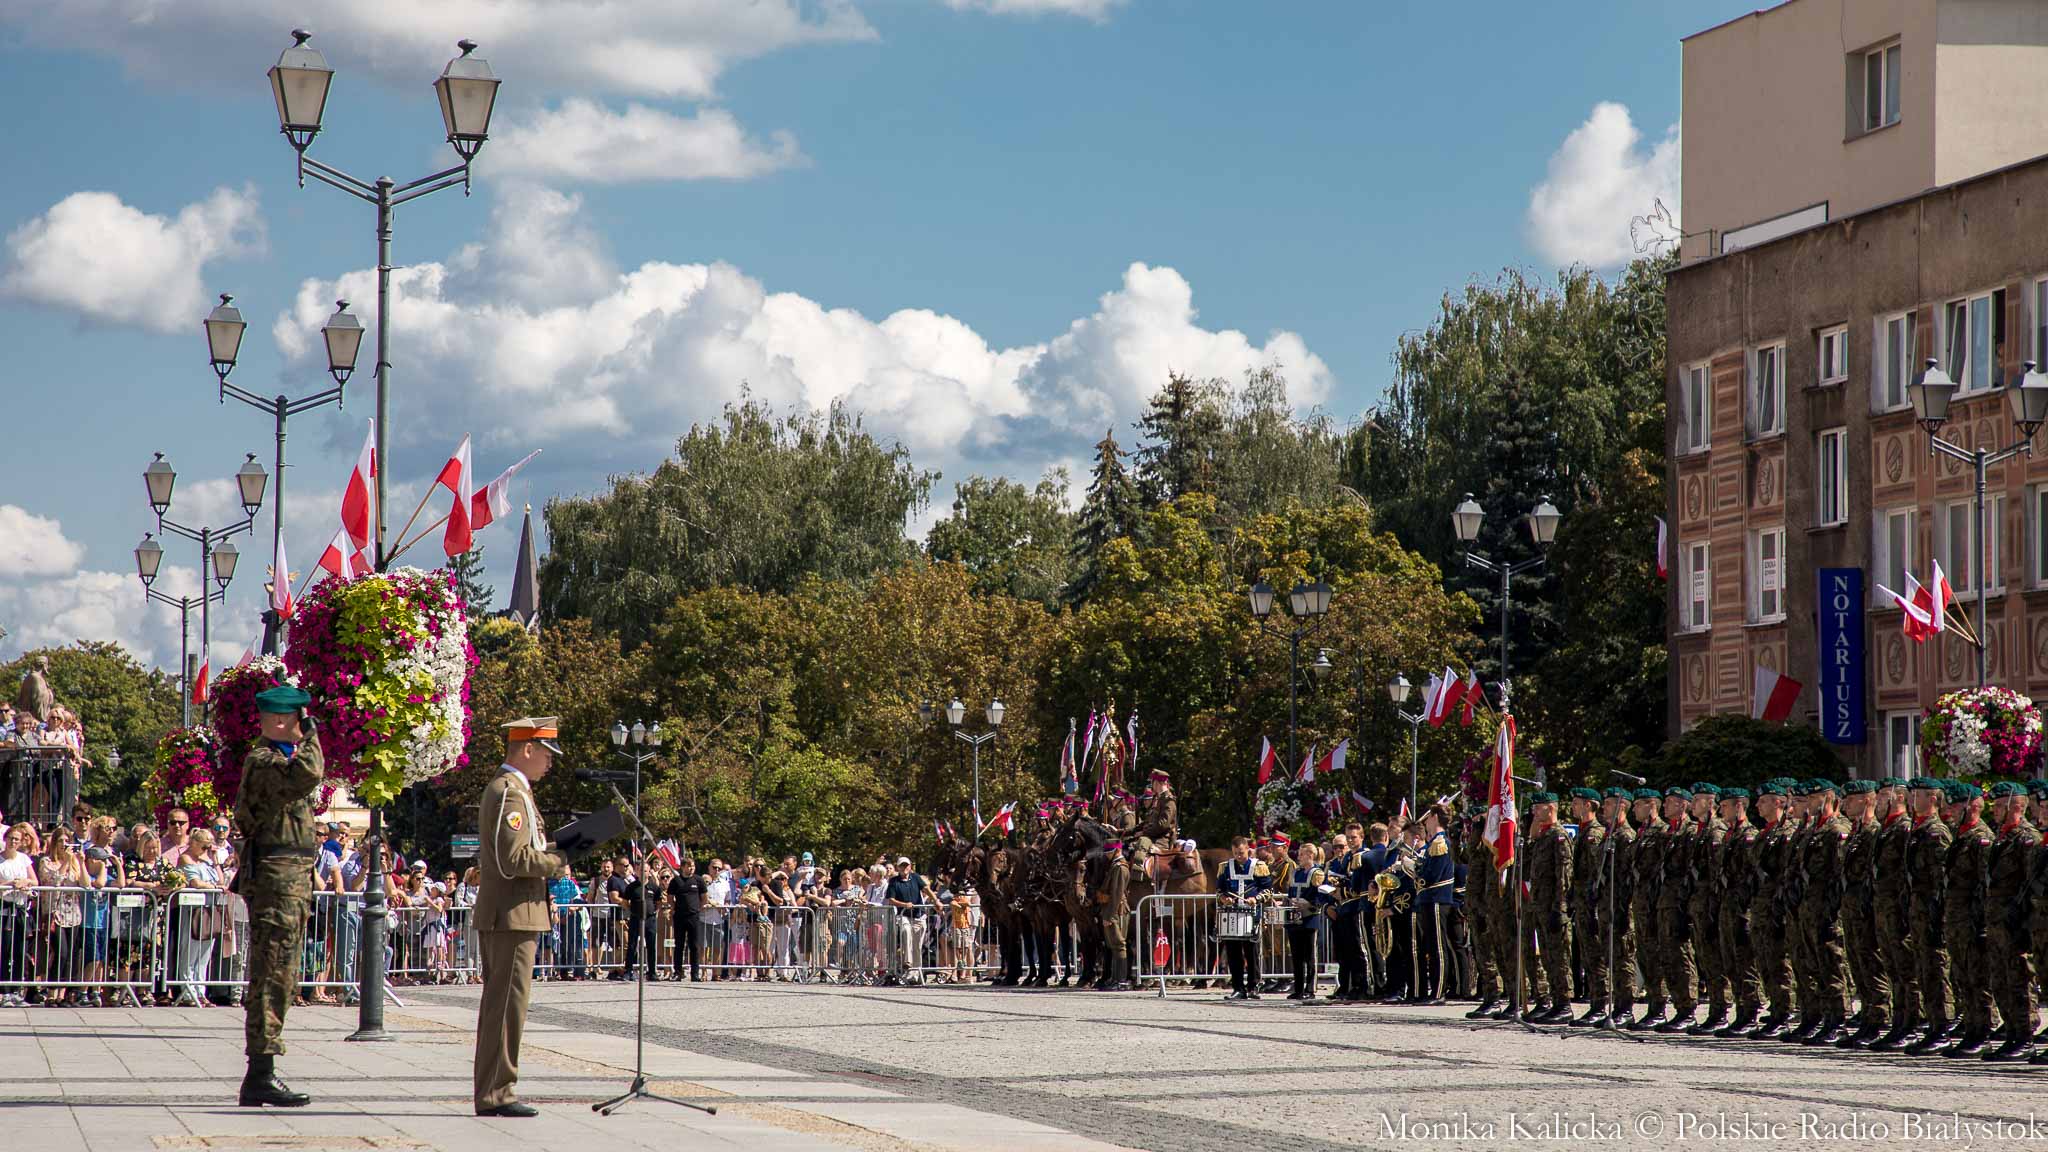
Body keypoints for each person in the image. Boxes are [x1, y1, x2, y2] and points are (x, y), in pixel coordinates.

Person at [231, 684, 324, 1106]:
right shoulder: (265, 760)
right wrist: (313, 735)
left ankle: (261, 1073)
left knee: (283, 973)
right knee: (272, 974)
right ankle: (261, 1073)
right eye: (298, 719)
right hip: (276, 879)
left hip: (290, 879)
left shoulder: (277, 759)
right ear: (283, 719)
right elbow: (310, 773)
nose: (302, 726)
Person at [473, 717, 569, 1118]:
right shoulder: (509, 793)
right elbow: (511, 861)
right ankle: (497, 1091)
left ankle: (499, 1087)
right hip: (512, 915)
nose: (549, 763)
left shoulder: (514, 791)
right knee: (506, 1007)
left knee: (509, 1006)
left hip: (516, 914)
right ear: (527, 749)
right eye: (546, 754)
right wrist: (557, 862)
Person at [1982, 781, 2039, 1061]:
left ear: (2016, 806)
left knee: (2018, 977)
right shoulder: (2001, 837)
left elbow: (2031, 883)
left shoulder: (2026, 839)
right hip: (1997, 920)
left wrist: (2025, 921)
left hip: (2015, 921)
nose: (1993, 810)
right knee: (2000, 977)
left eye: (1999, 805)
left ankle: (2025, 1034)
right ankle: (2012, 1030)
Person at [1901, 777, 1957, 1054]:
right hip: (1918, 910)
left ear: (1933, 799)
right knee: (1923, 969)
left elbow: (1941, 878)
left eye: (1918, 795)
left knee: (1936, 969)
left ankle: (1943, 1028)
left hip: (1932, 911)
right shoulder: (1918, 829)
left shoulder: (1936, 832)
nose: (1913, 800)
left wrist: (1938, 913)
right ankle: (1932, 1025)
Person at [1940, 780, 1995, 1056]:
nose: (1950, 807)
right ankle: (1971, 1026)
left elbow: (1986, 884)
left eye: (1956, 803)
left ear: (1973, 806)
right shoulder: (1960, 836)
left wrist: (1981, 921)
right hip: (1957, 919)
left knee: (1978, 977)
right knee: (1962, 975)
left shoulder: (1981, 838)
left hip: (1973, 921)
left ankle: (1982, 1030)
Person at [1836, 780, 1889, 1048]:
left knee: (1872, 963)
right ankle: (1868, 1016)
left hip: (1868, 909)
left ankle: (1879, 1019)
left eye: (1851, 799)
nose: (1844, 804)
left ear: (1868, 800)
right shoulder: (1857, 832)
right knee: (1859, 962)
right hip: (1853, 909)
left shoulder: (1874, 832)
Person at [1713, 788, 1763, 1038]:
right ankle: (1741, 1010)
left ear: (1738, 806)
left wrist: (1746, 906)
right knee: (1731, 962)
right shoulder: (1730, 835)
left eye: (1724, 806)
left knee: (1746, 962)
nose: (1720, 810)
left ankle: (1751, 1012)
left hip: (1743, 909)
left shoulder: (1749, 836)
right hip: (1728, 906)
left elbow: (1754, 876)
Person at [1520, 792, 1571, 1022]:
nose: (1533, 812)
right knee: (1548, 958)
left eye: (1537, 808)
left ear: (1550, 808)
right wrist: (1530, 838)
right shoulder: (1542, 836)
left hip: (1552, 906)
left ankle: (1564, 1004)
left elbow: (1563, 875)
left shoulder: (1558, 836)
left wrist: (1559, 907)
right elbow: (1528, 866)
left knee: (1558, 958)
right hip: (1539, 904)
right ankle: (1551, 1000)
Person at [1565, 788, 1608, 1025]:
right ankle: (1595, 1002)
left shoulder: (1595, 833)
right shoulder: (1582, 832)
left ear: (1590, 805)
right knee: (1588, 955)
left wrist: (1593, 901)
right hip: (1581, 902)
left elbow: (1596, 871)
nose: (1573, 807)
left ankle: (1601, 1003)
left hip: (1592, 904)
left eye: (1577, 803)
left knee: (1596, 954)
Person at [1216, 836, 1268, 1000]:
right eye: (1236, 853)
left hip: (1251, 914)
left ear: (1247, 850)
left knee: (1252, 952)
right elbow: (1219, 891)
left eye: (1241, 853)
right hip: (1232, 914)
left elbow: (1267, 890)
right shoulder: (1225, 867)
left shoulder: (1258, 866)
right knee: (1233, 953)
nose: (1239, 856)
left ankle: (1253, 986)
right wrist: (1224, 899)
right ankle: (1238, 987)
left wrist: (1256, 899)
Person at [883, 856, 931, 986]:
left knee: (917, 945)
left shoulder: (915, 877)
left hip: (918, 915)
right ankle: (907, 962)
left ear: (910, 866)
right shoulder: (894, 881)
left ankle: (916, 973)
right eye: (902, 866)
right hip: (903, 915)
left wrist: (936, 900)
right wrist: (904, 904)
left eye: (906, 865)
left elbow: (926, 889)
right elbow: (891, 900)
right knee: (905, 930)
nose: (904, 868)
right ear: (898, 867)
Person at [667, 857, 706, 981]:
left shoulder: (698, 880)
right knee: (679, 945)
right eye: (689, 866)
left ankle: (695, 974)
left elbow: (704, 897)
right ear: (683, 867)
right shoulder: (675, 881)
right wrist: (673, 908)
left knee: (694, 946)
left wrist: (699, 908)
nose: (691, 868)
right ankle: (677, 972)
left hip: (694, 916)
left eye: (693, 866)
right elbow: (670, 896)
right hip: (679, 916)